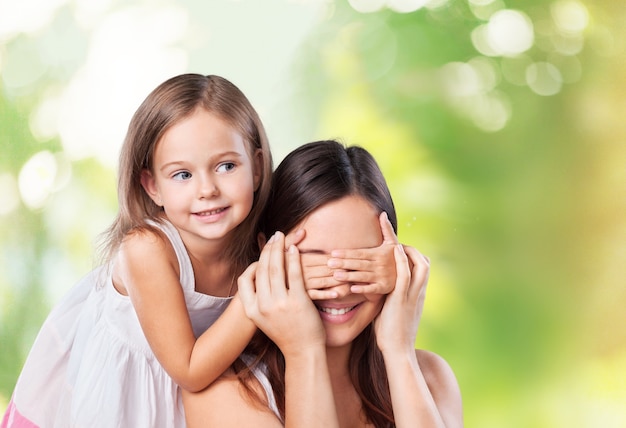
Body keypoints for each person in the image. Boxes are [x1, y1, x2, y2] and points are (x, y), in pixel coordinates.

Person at [2, 73, 273, 428]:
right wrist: (257, 292)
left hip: (200, 393)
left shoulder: (257, 243)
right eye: (182, 175)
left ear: (256, 167)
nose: (207, 189)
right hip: (124, 398)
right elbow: (189, 369)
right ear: (152, 187)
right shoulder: (147, 249)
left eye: (226, 166)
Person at [182, 139, 464, 427]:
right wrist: (303, 351)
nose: (340, 289)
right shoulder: (225, 393)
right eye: (314, 263)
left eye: (359, 264)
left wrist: (398, 351)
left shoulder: (430, 377)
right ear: (266, 255)